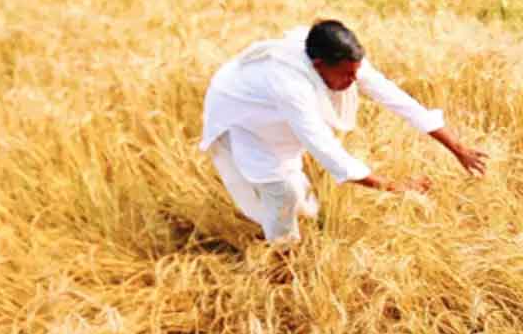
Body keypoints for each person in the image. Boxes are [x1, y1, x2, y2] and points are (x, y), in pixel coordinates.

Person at [200, 20, 487, 245]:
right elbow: (324, 148)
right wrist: (393, 187)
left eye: (356, 72)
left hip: (272, 111)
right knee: (281, 191)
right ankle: (281, 259)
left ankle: (287, 232)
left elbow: (397, 99)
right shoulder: (289, 83)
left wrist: (458, 149)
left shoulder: (344, 61)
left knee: (298, 200)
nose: (354, 81)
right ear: (319, 66)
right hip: (242, 117)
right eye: (347, 75)